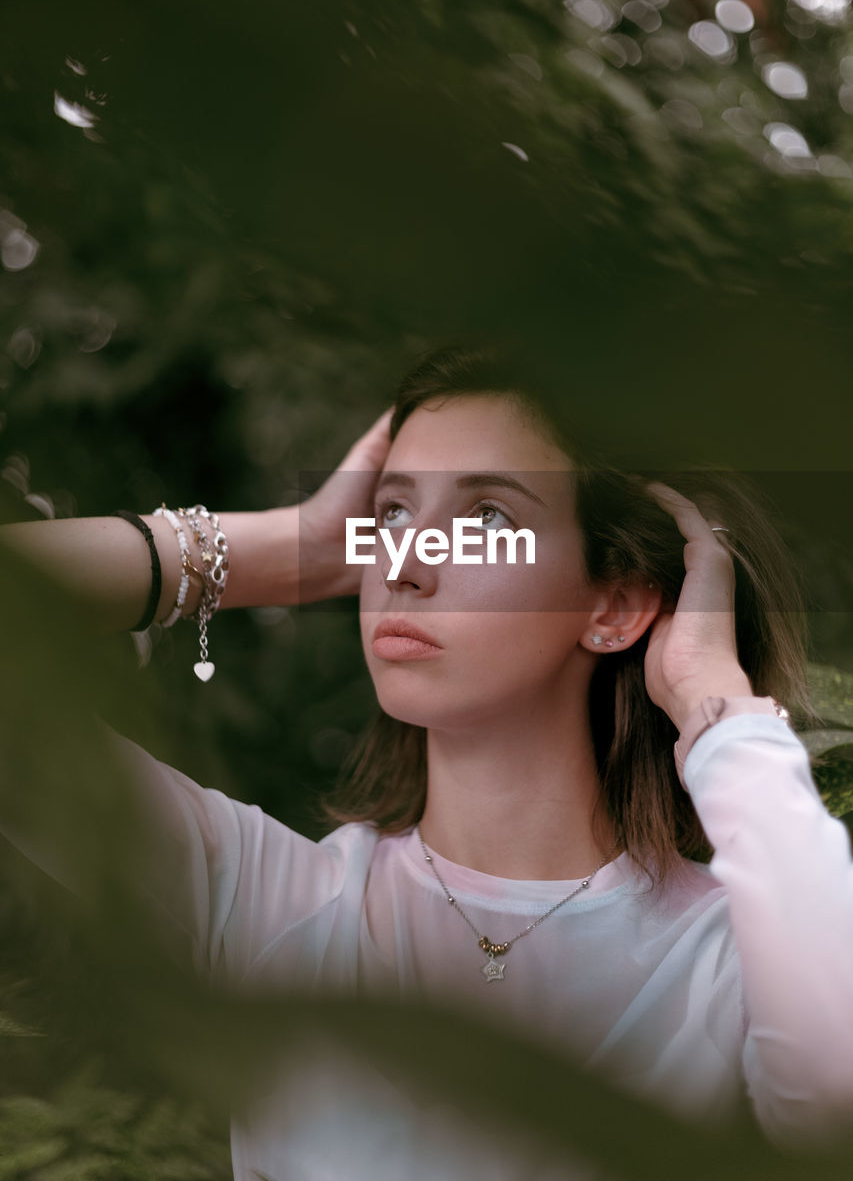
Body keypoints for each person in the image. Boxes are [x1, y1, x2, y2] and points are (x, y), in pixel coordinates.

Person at [2, 343, 853, 1180]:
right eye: (394, 515)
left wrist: (710, 697)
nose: (402, 564)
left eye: (487, 520)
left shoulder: (732, 955)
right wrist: (287, 549)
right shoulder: (270, 907)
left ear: (615, 603)